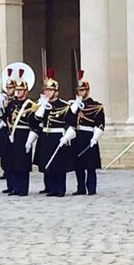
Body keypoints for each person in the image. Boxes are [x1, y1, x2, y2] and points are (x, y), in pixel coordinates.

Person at [30, 69, 77, 197]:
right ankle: (51, 188)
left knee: (59, 164)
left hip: (58, 136)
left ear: (56, 92)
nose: (48, 92)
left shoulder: (64, 105)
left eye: (50, 90)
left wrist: (66, 137)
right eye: (46, 90)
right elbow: (34, 121)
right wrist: (42, 106)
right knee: (48, 163)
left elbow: (72, 123)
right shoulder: (42, 105)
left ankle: (60, 189)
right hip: (46, 136)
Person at [71, 72, 105, 195]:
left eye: (83, 90)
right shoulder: (74, 105)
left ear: (87, 90)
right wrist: (75, 106)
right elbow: (70, 120)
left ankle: (91, 188)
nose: (80, 92)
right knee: (78, 165)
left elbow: (100, 124)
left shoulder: (96, 106)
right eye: (79, 90)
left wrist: (95, 138)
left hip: (89, 135)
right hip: (77, 136)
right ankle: (80, 187)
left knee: (90, 165)